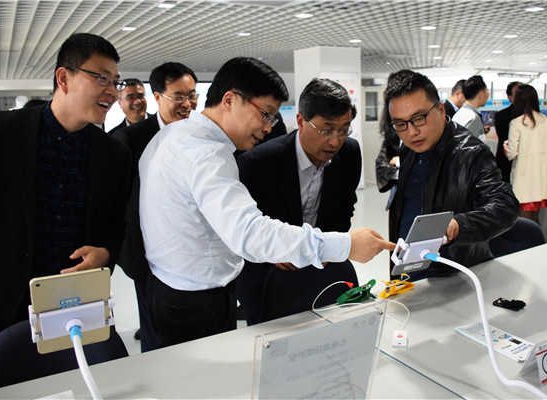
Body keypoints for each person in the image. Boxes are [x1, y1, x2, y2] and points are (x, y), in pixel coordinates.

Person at [138, 57, 394, 348]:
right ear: (230, 100)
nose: (269, 127)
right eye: (265, 114)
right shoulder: (209, 156)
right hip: (197, 299)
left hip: (167, 285)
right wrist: (345, 245)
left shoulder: (171, 135)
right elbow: (250, 233)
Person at [0, 33, 131, 351]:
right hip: (7, 293)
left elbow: (116, 222)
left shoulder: (114, 153)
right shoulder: (0, 133)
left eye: (116, 82)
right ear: (64, 78)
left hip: (77, 295)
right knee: (7, 372)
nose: (112, 92)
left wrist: (106, 252)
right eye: (102, 78)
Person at [235, 78, 361, 325]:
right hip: (271, 273)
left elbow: (345, 208)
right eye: (326, 130)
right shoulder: (258, 163)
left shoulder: (349, 153)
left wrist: (326, 247)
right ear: (301, 121)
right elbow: (243, 228)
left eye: (343, 130)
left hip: (323, 268)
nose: (335, 141)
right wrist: (272, 251)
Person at [382, 69, 518, 280]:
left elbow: (505, 206)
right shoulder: (409, 148)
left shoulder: (471, 153)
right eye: (400, 124)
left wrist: (459, 225)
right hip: (407, 268)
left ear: (439, 109)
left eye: (419, 118)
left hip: (450, 275)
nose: (411, 132)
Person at [112, 62, 198, 352]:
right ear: (158, 97)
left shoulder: (199, 134)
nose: (187, 104)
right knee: (156, 333)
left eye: (192, 95)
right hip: (148, 256)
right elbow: (120, 203)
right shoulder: (130, 139)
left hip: (191, 252)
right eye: (179, 96)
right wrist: (131, 258)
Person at [505, 84, 547, 225]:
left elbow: (511, 154)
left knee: (524, 222)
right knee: (534, 219)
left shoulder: (516, 123)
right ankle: (538, 238)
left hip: (524, 179)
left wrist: (506, 146)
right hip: (541, 178)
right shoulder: (545, 120)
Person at [494, 81, 521, 183]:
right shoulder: (501, 116)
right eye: (517, 93)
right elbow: (504, 138)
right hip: (506, 162)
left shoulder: (532, 117)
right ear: (509, 97)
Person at [452, 75, 490, 141]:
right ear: (481, 94)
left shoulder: (460, 113)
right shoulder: (473, 118)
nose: (488, 96)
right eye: (487, 92)